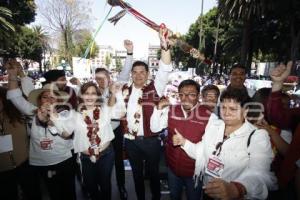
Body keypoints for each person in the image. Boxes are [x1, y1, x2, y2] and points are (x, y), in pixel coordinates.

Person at [173, 88, 277, 199]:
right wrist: (184, 142)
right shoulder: (214, 125)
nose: (226, 113)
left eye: (233, 109)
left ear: (245, 111)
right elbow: (201, 151)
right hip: (208, 191)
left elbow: (261, 175)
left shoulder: (257, 136)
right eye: (223, 107)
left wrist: (237, 188)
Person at [6, 59, 76, 200]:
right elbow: (15, 97)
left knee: (69, 193)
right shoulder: (31, 112)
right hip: (42, 163)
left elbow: (67, 134)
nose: (49, 100)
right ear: (39, 100)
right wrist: (13, 74)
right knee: (53, 193)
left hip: (65, 160)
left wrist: (50, 119)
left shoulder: (67, 113)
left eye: (53, 97)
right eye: (45, 97)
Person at [121, 26, 173, 200]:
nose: (138, 75)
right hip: (131, 142)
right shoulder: (124, 91)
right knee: (136, 175)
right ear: (131, 75)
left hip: (151, 142)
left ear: (148, 73)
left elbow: (165, 70)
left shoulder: (154, 88)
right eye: (134, 72)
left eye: (142, 72)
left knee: (153, 175)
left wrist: (164, 45)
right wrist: (129, 54)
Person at [51, 81, 126, 200]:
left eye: (93, 93)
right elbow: (66, 133)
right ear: (81, 96)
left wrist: (118, 94)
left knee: (105, 185)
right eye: (86, 93)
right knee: (91, 187)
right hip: (85, 158)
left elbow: (121, 113)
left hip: (106, 154)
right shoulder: (74, 114)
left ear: (97, 96)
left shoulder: (104, 109)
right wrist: (54, 118)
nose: (90, 96)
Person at [150, 79, 211, 200]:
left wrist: (184, 142)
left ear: (198, 96)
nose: (185, 98)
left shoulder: (208, 116)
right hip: (173, 168)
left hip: (194, 172)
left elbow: (208, 150)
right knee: (174, 196)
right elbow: (154, 128)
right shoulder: (172, 110)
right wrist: (158, 109)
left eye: (191, 94)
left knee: (193, 197)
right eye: (182, 94)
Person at [94, 39, 133, 200]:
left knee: (118, 161)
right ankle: (98, 188)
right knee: (97, 159)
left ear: (109, 77)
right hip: (100, 132)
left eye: (103, 78)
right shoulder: (92, 92)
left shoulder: (116, 85)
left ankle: (122, 187)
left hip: (115, 131)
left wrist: (129, 52)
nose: (100, 81)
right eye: (98, 78)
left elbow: (125, 71)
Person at [0, 86, 40, 200]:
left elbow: (26, 104)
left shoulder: (18, 116)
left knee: (33, 194)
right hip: (3, 170)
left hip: (25, 163)